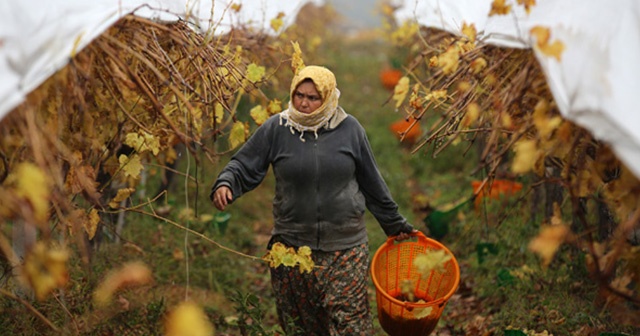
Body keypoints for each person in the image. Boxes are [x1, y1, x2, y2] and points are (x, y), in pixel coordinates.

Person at [210, 65, 416, 335]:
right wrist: (226, 183)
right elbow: (244, 164)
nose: (304, 103)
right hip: (292, 248)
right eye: (299, 95)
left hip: (346, 247)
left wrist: (395, 224)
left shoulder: (349, 129)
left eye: (313, 97)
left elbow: (372, 183)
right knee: (304, 327)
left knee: (350, 324)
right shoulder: (277, 128)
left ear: (328, 97)